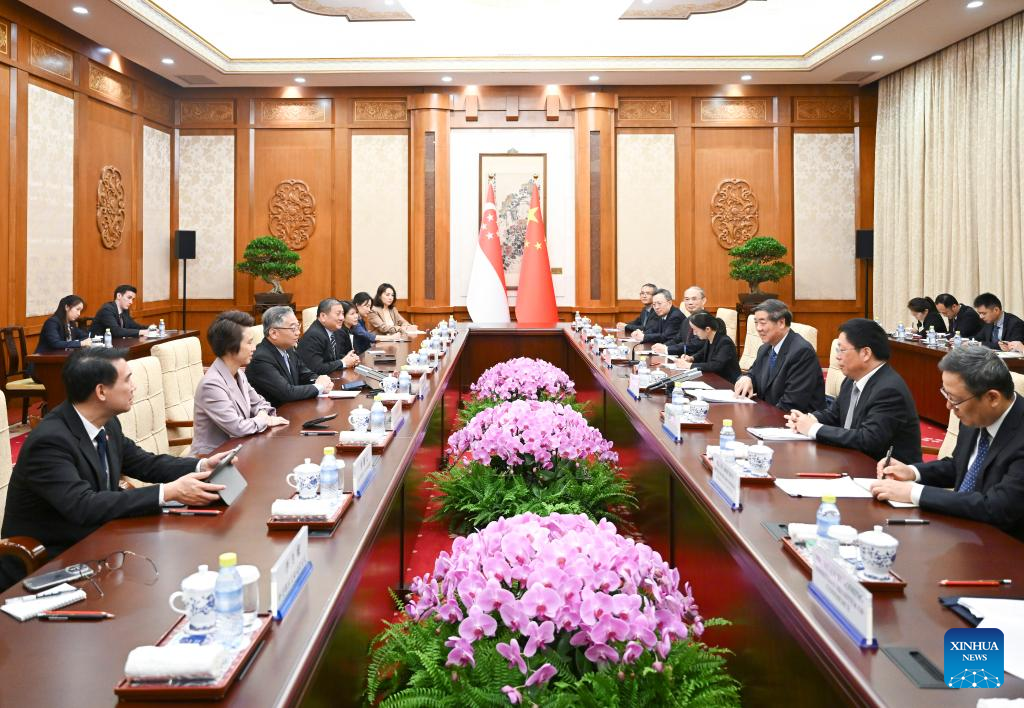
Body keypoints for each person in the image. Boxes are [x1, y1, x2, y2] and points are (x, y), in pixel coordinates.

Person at [0, 348, 231, 589]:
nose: (134, 387)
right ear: (101, 391)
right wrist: (169, 492)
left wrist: (202, 464)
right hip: (48, 565)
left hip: (100, 547)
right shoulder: (50, 441)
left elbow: (144, 463)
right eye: (128, 379)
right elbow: (83, 505)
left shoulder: (107, 423)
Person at [871, 347, 1024, 541]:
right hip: (961, 531)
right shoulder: (975, 415)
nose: (949, 406)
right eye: (946, 395)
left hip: (1006, 545)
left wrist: (914, 492)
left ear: (992, 398)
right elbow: (959, 466)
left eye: (955, 399)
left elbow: (997, 507)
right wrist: (912, 472)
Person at [786, 319, 921, 462]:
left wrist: (813, 428)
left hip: (883, 470)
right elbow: (834, 414)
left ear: (865, 353)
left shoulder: (889, 390)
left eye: (842, 350)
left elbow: (868, 440)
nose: (837, 356)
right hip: (851, 461)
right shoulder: (852, 380)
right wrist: (809, 419)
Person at [191, 311, 289, 456]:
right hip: (213, 458)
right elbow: (237, 428)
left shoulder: (239, 373)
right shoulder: (211, 384)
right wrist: (264, 420)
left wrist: (262, 415)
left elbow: (261, 404)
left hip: (240, 449)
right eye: (249, 342)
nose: (254, 347)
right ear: (230, 347)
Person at [734, 299, 825, 412]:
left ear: (781, 323)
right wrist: (746, 378)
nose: (758, 328)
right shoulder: (765, 348)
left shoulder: (802, 352)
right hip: (769, 414)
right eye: (756, 323)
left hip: (794, 419)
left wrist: (759, 417)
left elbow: (791, 404)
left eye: (763, 323)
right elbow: (753, 374)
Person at [245, 306, 334, 408]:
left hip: (294, 408)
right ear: (273, 333)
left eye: (298, 326)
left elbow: (304, 374)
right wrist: (319, 387)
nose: (298, 332)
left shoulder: (288, 348)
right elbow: (287, 393)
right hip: (275, 413)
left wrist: (319, 379)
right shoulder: (261, 358)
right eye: (293, 328)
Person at [654, 311, 740, 383]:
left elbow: (715, 365)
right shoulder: (710, 339)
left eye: (696, 330)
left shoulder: (725, 342)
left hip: (727, 383)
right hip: (713, 379)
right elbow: (702, 353)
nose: (694, 333)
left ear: (707, 329)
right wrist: (691, 358)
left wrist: (689, 365)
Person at [30, 295, 93, 381]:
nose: (79, 314)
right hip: (43, 367)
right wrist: (80, 343)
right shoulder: (52, 322)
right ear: (67, 307)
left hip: (61, 364)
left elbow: (84, 336)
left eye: (80, 311)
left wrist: (87, 340)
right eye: (77, 309)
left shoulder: (71, 324)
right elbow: (55, 343)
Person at [296, 298, 361, 375]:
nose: (342, 318)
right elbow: (317, 368)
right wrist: (343, 363)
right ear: (323, 316)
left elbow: (333, 358)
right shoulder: (314, 335)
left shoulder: (336, 331)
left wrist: (351, 359)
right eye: (338, 314)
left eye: (343, 314)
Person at [660, 285, 709, 357]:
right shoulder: (686, 320)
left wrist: (667, 349)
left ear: (703, 300)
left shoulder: (707, 320)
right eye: (687, 299)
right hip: (682, 359)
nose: (690, 303)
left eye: (694, 299)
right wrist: (663, 346)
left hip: (698, 360)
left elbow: (695, 345)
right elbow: (677, 339)